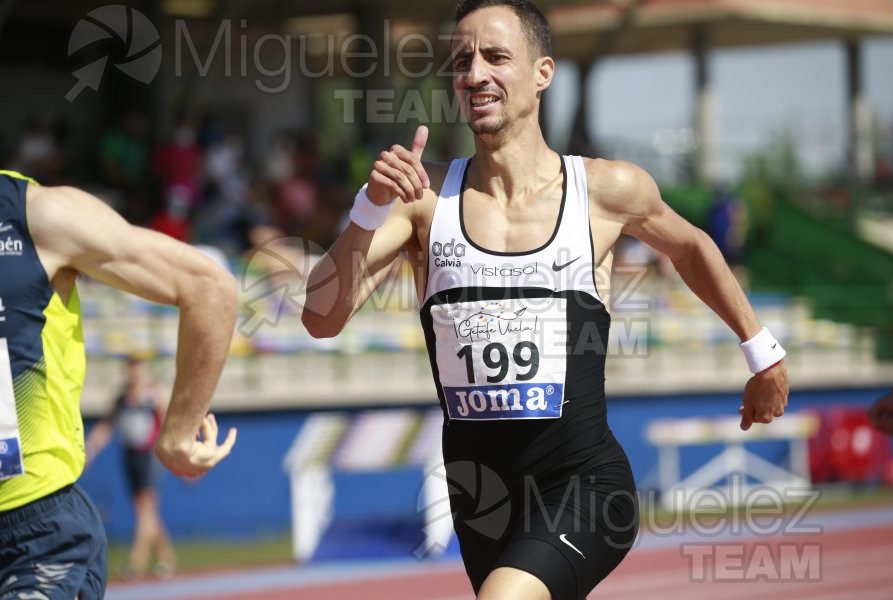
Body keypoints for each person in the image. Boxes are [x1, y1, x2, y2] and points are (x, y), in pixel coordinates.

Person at [301, 1, 790, 598]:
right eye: (462, 60)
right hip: (482, 495)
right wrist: (366, 212)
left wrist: (761, 351)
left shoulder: (605, 190)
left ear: (543, 72)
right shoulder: (422, 201)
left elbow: (690, 248)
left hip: (584, 485)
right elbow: (321, 317)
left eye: (496, 56)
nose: (475, 73)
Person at [0, 170, 238, 599]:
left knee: (147, 509)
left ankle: (156, 558)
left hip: (32, 535)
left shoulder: (36, 215)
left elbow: (209, 286)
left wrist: (178, 435)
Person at [84, 357, 177, 580]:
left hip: (150, 456)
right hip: (130, 456)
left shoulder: (153, 394)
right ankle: (167, 557)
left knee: (145, 507)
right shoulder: (122, 397)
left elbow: (167, 422)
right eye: (130, 368)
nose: (134, 373)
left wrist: (175, 454)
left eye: (137, 367)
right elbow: (106, 425)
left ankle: (136, 562)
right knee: (145, 510)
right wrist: (91, 449)